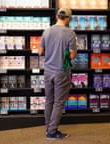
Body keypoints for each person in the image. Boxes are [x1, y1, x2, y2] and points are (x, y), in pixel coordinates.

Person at [38, 8, 77, 140]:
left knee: (49, 100)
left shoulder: (47, 31)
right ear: (68, 18)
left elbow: (40, 52)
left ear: (57, 16)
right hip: (62, 71)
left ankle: (48, 128)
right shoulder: (70, 33)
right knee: (59, 102)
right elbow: (72, 54)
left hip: (48, 71)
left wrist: (51, 53)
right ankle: (52, 132)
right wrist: (63, 56)